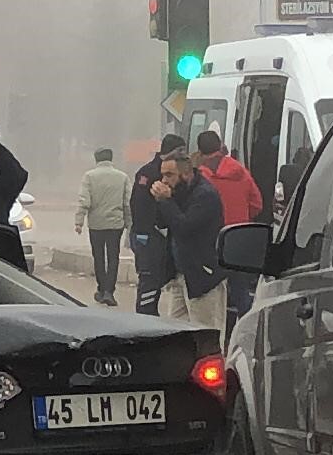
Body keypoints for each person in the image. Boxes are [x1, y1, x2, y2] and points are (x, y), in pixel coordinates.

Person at [148, 148, 230, 336]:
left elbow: (184, 227)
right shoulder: (178, 192)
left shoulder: (205, 195)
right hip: (181, 274)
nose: (164, 180)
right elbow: (161, 222)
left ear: (186, 174)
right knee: (175, 333)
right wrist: (159, 201)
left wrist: (167, 201)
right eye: (162, 175)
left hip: (203, 276)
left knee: (206, 333)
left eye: (170, 175)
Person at [192, 128, 266, 311]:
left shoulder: (199, 178)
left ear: (200, 152)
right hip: (238, 237)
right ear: (220, 146)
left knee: (215, 292)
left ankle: (220, 333)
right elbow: (257, 204)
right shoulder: (240, 171)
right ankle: (245, 331)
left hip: (211, 240)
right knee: (241, 290)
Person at [126, 134, 186, 316]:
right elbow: (139, 205)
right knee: (149, 278)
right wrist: (144, 231)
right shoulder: (150, 173)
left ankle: (149, 313)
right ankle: (145, 316)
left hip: (160, 235)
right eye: (181, 151)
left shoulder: (158, 171)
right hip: (149, 235)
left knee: (161, 276)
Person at [72, 146, 128, 299]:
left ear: (96, 159)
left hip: (96, 224)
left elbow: (84, 201)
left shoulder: (89, 176)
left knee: (98, 257)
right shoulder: (122, 177)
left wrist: (79, 222)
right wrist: (130, 224)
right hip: (116, 224)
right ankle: (110, 291)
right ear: (111, 159)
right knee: (113, 257)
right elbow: (127, 203)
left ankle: (101, 289)